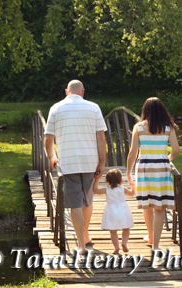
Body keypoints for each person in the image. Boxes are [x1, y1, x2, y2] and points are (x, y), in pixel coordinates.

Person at [44, 80, 107, 254]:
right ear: (83, 92)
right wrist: (102, 162)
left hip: (68, 162)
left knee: (75, 204)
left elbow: (48, 138)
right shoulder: (94, 107)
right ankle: (85, 235)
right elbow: (101, 137)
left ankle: (80, 245)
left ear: (66, 92)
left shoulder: (56, 108)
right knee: (87, 200)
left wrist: (52, 156)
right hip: (90, 161)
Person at [127, 97, 180, 250]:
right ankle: (155, 245)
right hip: (161, 168)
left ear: (145, 111)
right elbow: (176, 150)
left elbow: (133, 153)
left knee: (147, 204)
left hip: (144, 168)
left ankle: (150, 236)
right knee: (159, 207)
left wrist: (129, 174)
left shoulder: (139, 127)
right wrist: (166, 159)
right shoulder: (168, 127)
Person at [93, 168, 135, 254]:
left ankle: (116, 246)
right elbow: (132, 194)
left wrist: (97, 179)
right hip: (123, 209)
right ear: (120, 180)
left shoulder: (106, 190)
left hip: (111, 211)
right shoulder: (123, 189)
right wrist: (133, 186)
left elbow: (95, 190)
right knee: (126, 228)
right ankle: (124, 242)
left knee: (113, 231)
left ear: (107, 181)